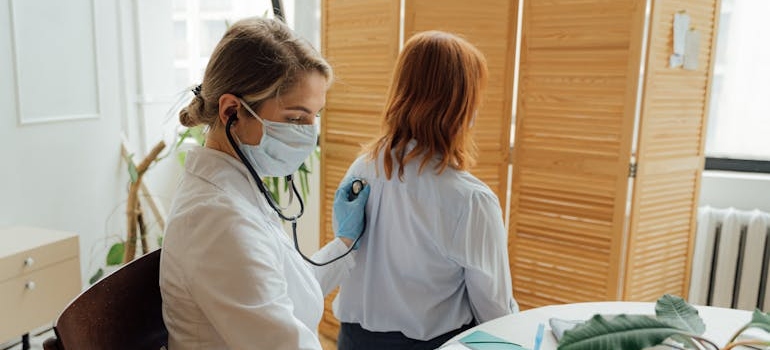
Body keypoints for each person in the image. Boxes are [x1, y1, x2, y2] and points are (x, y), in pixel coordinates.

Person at [159, 17, 370, 350]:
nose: (309, 135)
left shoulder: (236, 190)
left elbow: (287, 290)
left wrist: (345, 242)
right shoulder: (217, 221)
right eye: (296, 119)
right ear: (232, 112)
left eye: (315, 117)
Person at [332, 30, 519, 350]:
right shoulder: (472, 201)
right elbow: (494, 310)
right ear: (460, 105)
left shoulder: (361, 169)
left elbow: (346, 253)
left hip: (352, 341)